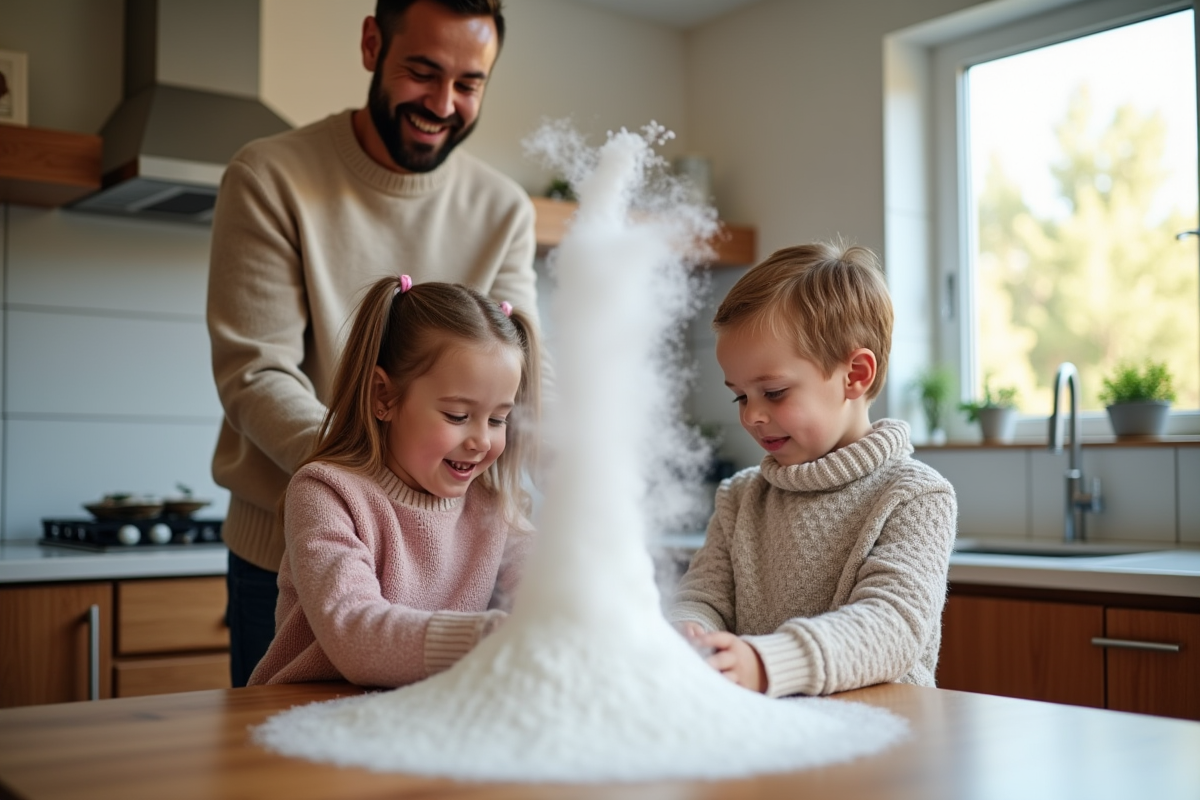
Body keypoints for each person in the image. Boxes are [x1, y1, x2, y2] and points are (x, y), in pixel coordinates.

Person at [206, 0, 538, 687]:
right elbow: (256, 372)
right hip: (294, 533)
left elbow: (523, 381)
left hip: (450, 533)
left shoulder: (504, 208)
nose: (443, 102)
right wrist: (371, 481)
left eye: (469, 84)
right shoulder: (270, 175)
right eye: (423, 71)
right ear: (370, 45)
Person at [669, 241, 958, 698]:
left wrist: (766, 664)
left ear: (855, 375)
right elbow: (704, 598)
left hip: (882, 740)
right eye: (740, 396)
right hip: (772, 734)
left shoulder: (915, 496)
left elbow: (892, 627)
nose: (751, 416)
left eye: (775, 392)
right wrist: (689, 633)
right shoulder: (740, 497)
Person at [248, 276, 541, 687]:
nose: (481, 441)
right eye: (458, 416)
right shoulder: (326, 495)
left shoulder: (496, 508)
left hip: (418, 723)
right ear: (383, 397)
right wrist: (501, 637)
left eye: (498, 420)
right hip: (305, 721)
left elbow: (547, 594)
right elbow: (356, 635)